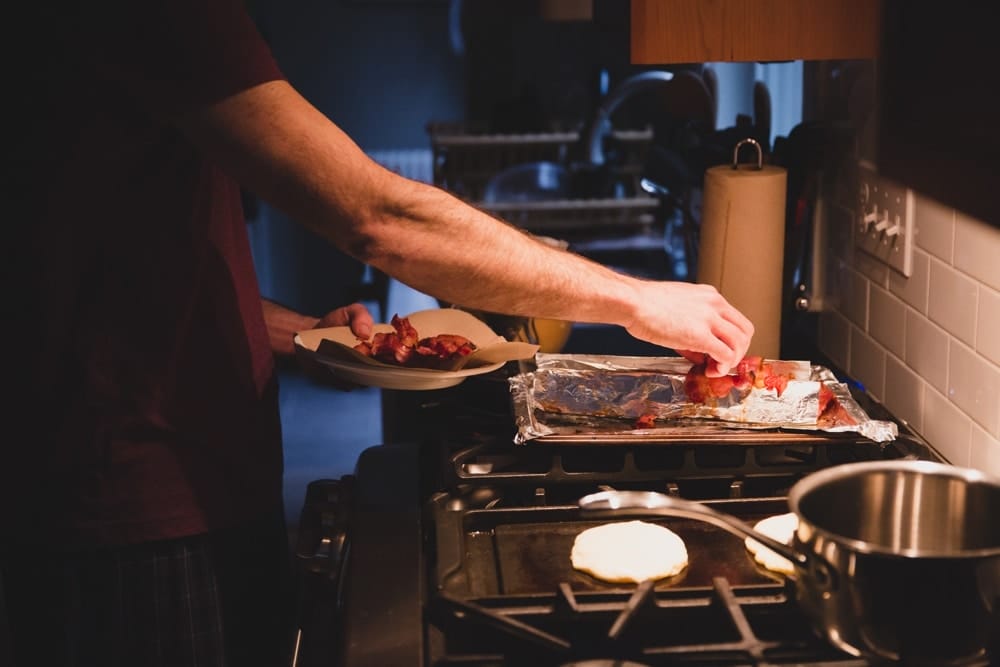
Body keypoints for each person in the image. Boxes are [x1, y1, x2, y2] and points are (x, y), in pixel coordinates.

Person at [4, 2, 753, 666]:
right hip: (130, 505)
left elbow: (113, 259)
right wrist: (635, 298)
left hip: (180, 476)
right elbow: (380, 220)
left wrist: (300, 333)